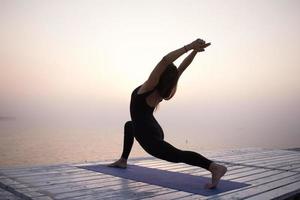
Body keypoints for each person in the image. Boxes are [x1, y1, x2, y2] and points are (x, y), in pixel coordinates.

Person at [108, 39, 227, 189]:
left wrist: (190, 47)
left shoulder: (149, 86)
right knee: (129, 125)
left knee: (178, 155)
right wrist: (195, 52)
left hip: (148, 137)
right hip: (152, 128)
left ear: (159, 76)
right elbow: (181, 69)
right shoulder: (163, 90)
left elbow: (165, 61)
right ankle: (123, 160)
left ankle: (214, 167)